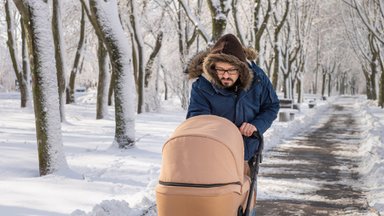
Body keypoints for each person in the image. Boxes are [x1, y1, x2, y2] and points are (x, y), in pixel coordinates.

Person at [185, 33, 280, 162]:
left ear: (241, 69)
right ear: (213, 68)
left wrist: (256, 125)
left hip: (248, 152)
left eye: (231, 70)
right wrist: (221, 132)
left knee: (246, 182)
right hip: (214, 155)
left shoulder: (258, 78)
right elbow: (198, 120)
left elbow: (271, 106)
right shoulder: (202, 86)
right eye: (220, 69)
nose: (225, 75)